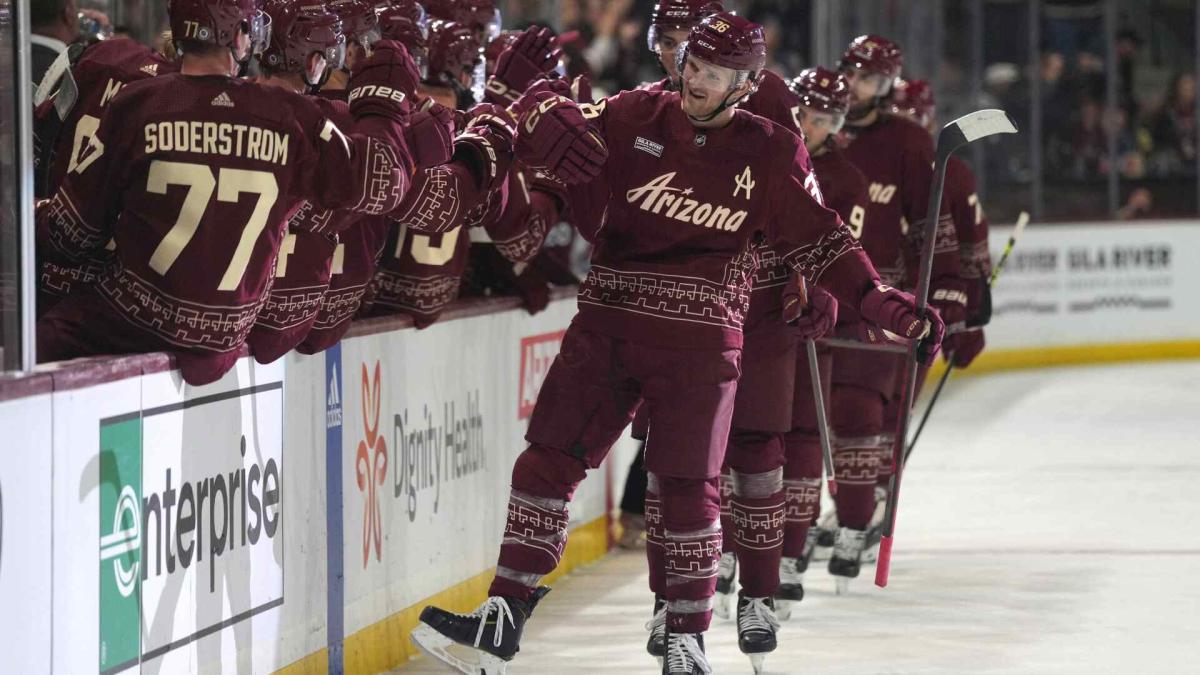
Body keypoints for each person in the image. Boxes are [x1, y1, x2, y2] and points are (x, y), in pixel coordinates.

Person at [411, 13, 943, 675]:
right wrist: (533, 103)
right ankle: (502, 616)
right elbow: (564, 137)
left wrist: (877, 300)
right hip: (606, 327)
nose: (692, 79)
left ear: (745, 84)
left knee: (690, 488)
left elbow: (824, 238)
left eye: (711, 73)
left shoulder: (770, 150)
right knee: (545, 461)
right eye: (691, 64)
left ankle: (686, 637)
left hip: (700, 350)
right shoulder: (635, 112)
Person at [36, 0, 449, 384]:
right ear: (238, 38)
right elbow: (384, 183)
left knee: (34, 342)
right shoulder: (291, 115)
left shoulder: (136, 102)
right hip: (227, 339)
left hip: (133, 321)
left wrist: (29, 214)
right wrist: (384, 104)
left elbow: (73, 235)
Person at [810, 35, 965, 590]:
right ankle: (824, 507)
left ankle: (855, 518)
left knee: (861, 413)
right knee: (814, 418)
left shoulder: (906, 140)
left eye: (871, 81)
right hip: (812, 295)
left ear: (889, 85)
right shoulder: (819, 129)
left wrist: (948, 289)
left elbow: (932, 225)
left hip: (879, 299)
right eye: (853, 75)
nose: (857, 88)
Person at [32, 36, 177, 317]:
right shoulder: (188, 98)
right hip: (118, 296)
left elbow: (36, 140)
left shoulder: (104, 53)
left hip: (47, 266)